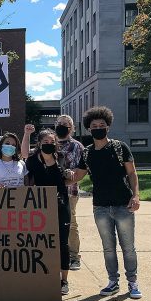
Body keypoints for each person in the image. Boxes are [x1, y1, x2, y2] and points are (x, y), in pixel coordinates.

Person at [73, 106, 142, 299]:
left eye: (101, 125)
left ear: (108, 127)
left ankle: (133, 282)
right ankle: (113, 281)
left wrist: (135, 196)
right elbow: (77, 175)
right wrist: (57, 177)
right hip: (101, 207)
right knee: (108, 247)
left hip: (123, 205)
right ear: (89, 129)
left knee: (128, 246)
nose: (98, 128)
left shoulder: (120, 147)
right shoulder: (86, 153)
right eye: (94, 126)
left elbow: (132, 173)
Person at [24, 127, 74, 295]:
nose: (49, 144)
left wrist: (68, 173)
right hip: (40, 206)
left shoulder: (60, 158)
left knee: (62, 243)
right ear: (39, 143)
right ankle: (44, 276)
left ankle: (64, 280)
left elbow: (66, 178)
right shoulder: (32, 160)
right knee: (41, 241)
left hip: (61, 204)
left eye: (52, 142)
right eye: (45, 142)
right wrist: (26, 134)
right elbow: (24, 158)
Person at [55, 114, 85, 270]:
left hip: (69, 192)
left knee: (71, 224)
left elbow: (79, 171)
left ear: (72, 128)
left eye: (66, 124)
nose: (62, 125)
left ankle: (74, 257)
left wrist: (63, 181)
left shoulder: (77, 146)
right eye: (59, 123)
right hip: (51, 192)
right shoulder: (49, 143)